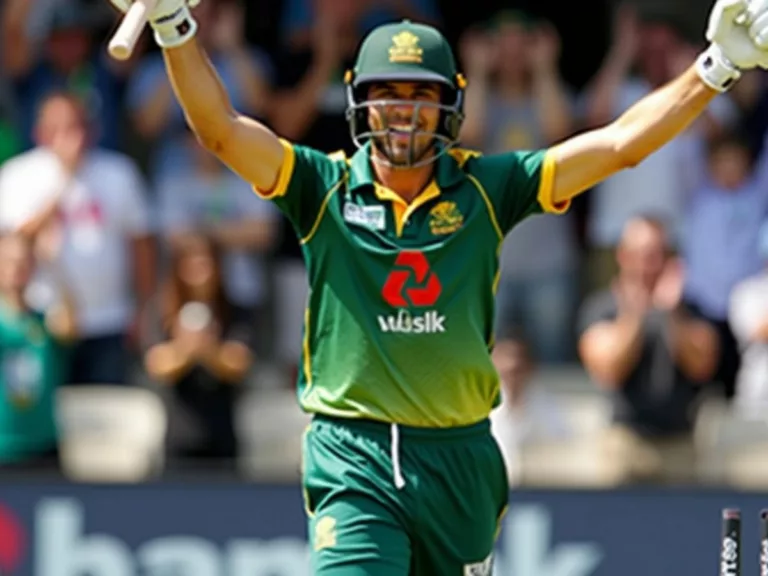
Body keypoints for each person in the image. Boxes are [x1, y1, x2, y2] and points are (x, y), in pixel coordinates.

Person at [105, 0, 768, 572]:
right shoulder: (322, 185)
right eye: (388, 95)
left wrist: (714, 68)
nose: (404, 114)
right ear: (359, 100)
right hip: (352, 453)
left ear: (449, 104)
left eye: (421, 96)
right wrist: (175, 28)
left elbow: (620, 143)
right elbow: (220, 131)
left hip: (459, 457)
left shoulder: (488, 187)